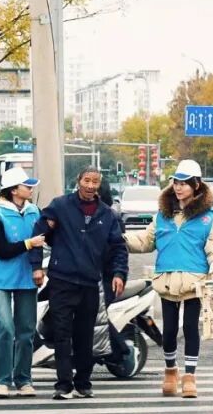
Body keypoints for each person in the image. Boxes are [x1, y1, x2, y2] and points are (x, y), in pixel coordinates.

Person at [125, 159, 213, 399]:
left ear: (196, 185)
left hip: (195, 281)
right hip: (167, 279)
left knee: (191, 327)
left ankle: (190, 377)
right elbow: (145, 241)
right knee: (170, 329)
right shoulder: (162, 216)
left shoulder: (208, 218)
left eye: (184, 183)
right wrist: (120, 240)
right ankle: (170, 372)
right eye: (176, 182)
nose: (178, 187)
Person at [29, 166, 129, 400]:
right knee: (62, 333)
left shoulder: (107, 214)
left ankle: (83, 382)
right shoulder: (60, 206)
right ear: (78, 181)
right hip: (61, 280)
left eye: (95, 182)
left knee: (85, 336)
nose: (90, 186)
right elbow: (39, 235)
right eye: (86, 181)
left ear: (99, 185)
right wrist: (36, 266)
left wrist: (119, 273)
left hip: (90, 283)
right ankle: (64, 385)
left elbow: (118, 247)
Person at [0, 167, 45, 398]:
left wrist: (38, 267)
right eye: (26, 186)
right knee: (5, 328)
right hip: (0, 279)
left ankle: (23, 380)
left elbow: (44, 241)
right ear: (13, 190)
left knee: (26, 331)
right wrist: (29, 244)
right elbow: (2, 251)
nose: (30, 189)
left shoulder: (34, 212)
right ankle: (2, 380)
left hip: (27, 278)